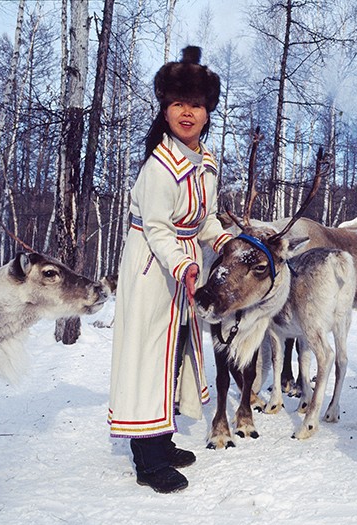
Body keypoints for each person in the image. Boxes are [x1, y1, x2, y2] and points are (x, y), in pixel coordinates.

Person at [109, 46, 235, 494]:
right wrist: (182, 262)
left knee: (176, 352)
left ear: (207, 112)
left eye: (196, 105)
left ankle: (160, 440)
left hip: (182, 267)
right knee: (148, 354)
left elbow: (206, 218)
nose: (187, 113)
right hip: (151, 267)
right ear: (165, 110)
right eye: (178, 104)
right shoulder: (160, 167)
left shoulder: (206, 163)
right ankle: (146, 458)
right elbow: (159, 229)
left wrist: (220, 239)